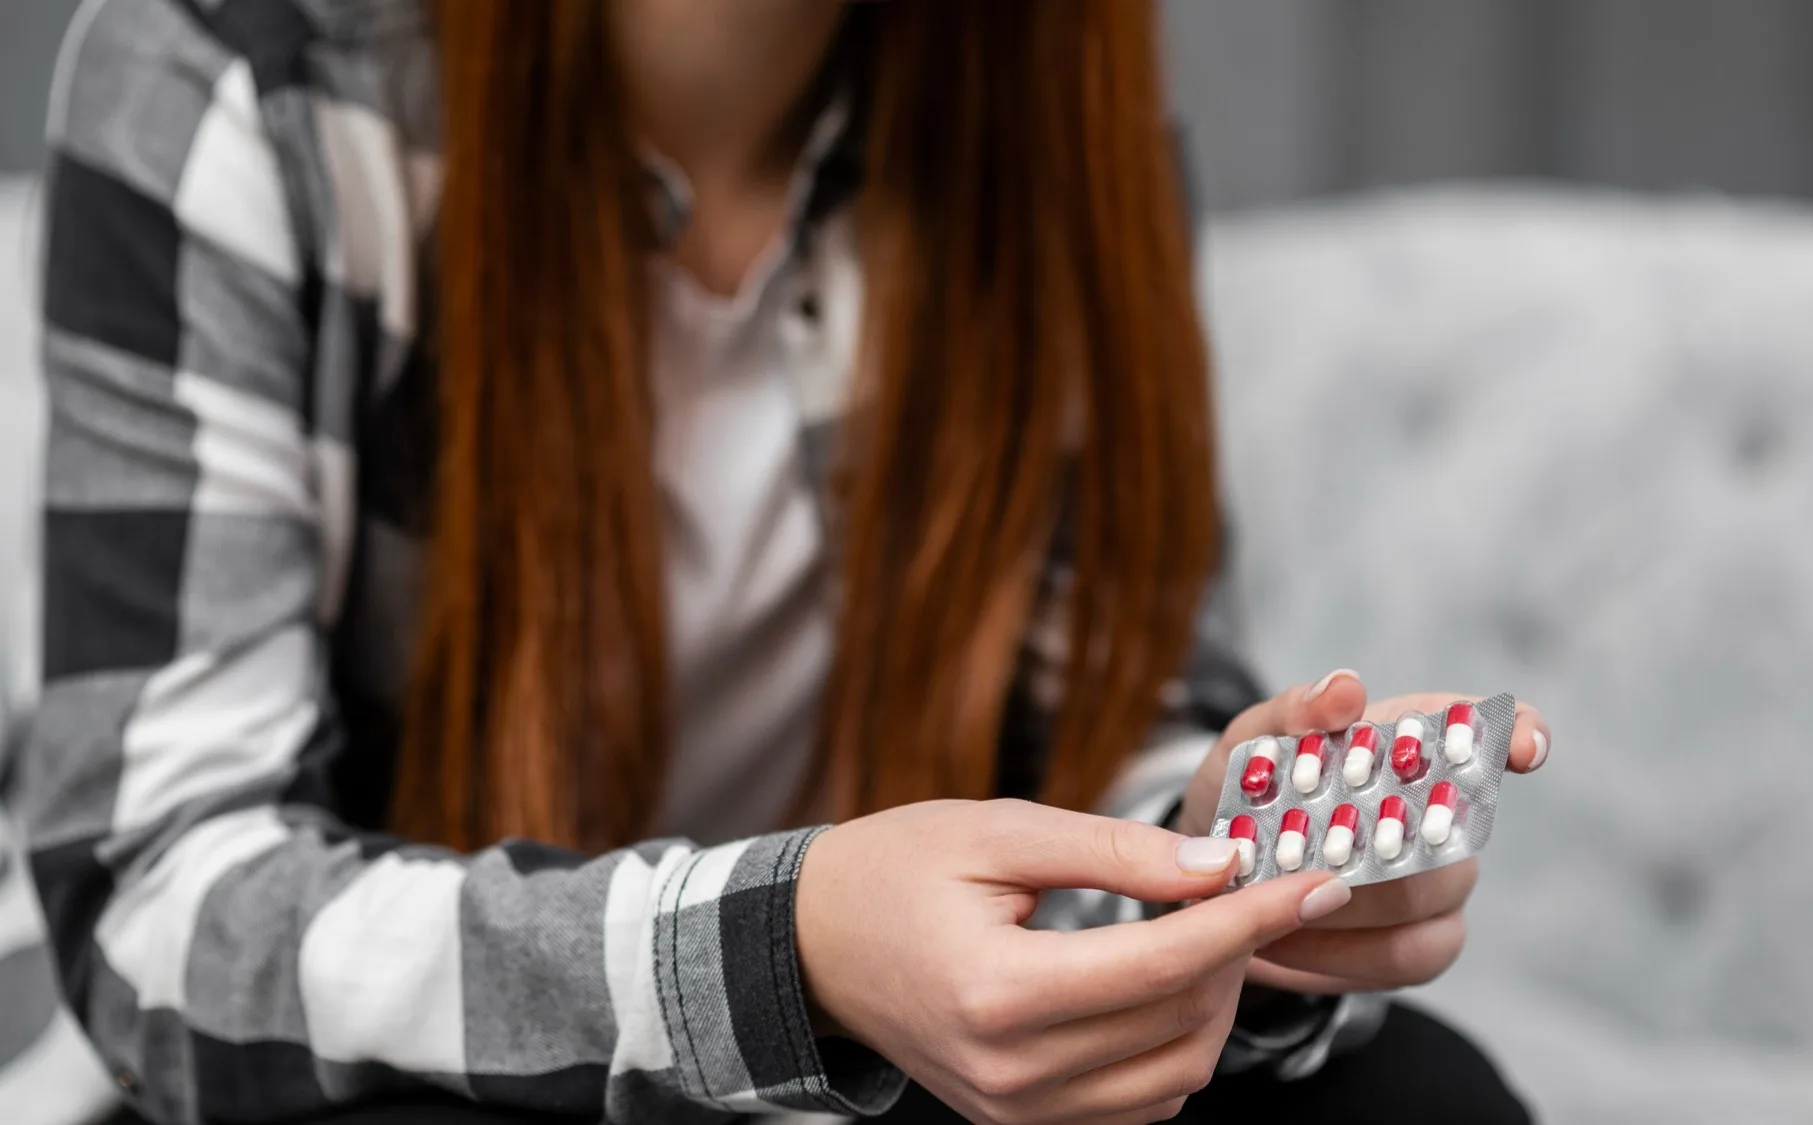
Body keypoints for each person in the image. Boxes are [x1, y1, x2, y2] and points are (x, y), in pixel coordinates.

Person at [11, 0, 1551, 1122]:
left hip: (873, 1076)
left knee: (1421, 1101)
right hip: (424, 1062)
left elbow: (1110, 714)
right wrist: (782, 947)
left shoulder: (1067, 124)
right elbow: (169, 902)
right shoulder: (232, 75)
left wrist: (1212, 874)